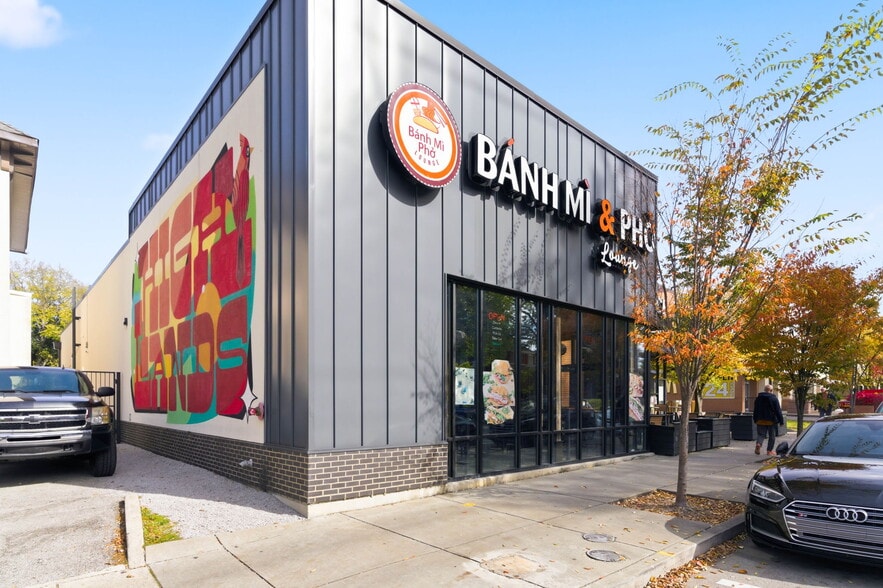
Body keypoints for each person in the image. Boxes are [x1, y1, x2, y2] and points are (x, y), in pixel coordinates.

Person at [753, 384, 785, 456]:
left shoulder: (758, 398)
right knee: (772, 436)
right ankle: (769, 451)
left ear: (764, 390)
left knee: (761, 434)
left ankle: (759, 444)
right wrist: (781, 421)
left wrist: (755, 419)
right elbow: (778, 410)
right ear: (771, 390)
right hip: (771, 420)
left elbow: (755, 410)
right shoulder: (774, 398)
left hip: (760, 419)